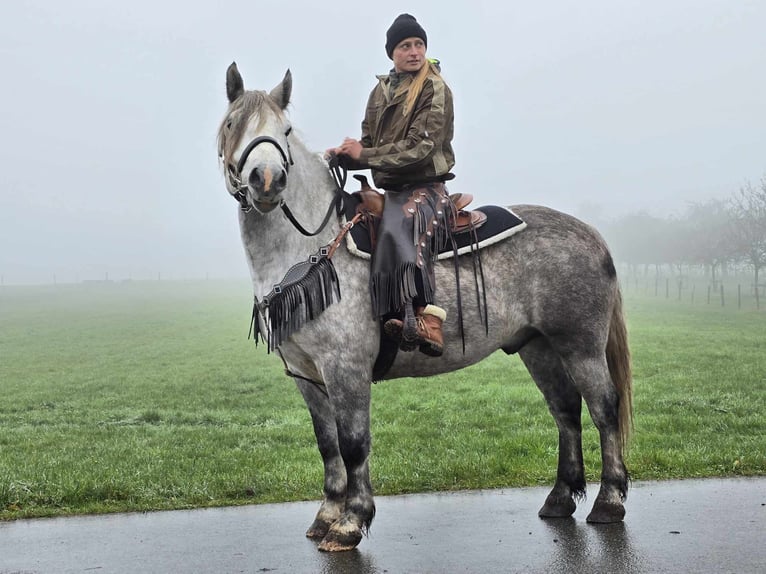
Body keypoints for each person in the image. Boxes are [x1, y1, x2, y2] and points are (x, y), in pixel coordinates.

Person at [327, 13, 455, 357]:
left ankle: (424, 317)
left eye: (419, 44)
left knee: (398, 228)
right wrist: (345, 155)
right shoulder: (379, 92)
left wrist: (365, 155)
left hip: (426, 184)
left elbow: (421, 148)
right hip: (391, 188)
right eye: (405, 45)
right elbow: (369, 142)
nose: (414, 52)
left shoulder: (433, 87)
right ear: (392, 53)